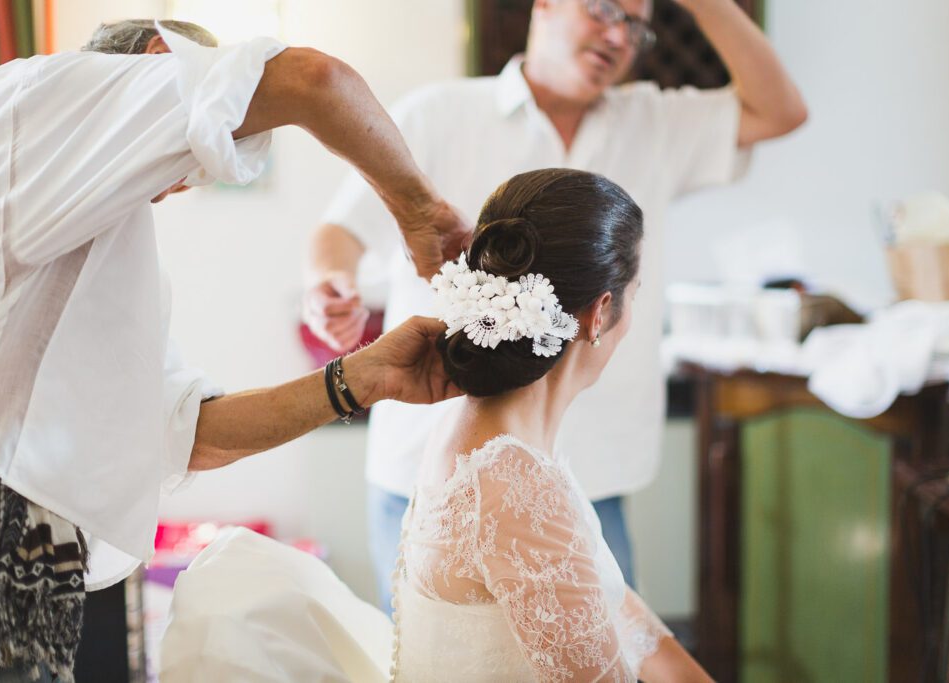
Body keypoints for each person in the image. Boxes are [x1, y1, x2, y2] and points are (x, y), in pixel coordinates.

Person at [0, 19, 466, 682]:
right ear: (162, 59)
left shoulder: (107, 248)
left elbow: (186, 432)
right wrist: (421, 209)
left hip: (32, 570)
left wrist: (363, 377)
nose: (194, 179)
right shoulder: (32, 102)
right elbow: (313, 80)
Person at [304, 0, 807, 611]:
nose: (618, 35)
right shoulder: (438, 114)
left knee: (605, 648)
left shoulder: (654, 121)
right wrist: (331, 282)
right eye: (603, 10)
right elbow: (342, 230)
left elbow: (782, 111)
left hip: (590, 470)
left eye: (635, 24)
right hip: (431, 462)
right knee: (434, 653)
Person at [393, 168, 709, 681]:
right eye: (636, 291)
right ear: (600, 313)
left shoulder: (498, 439)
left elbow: (612, 604)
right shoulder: (510, 482)